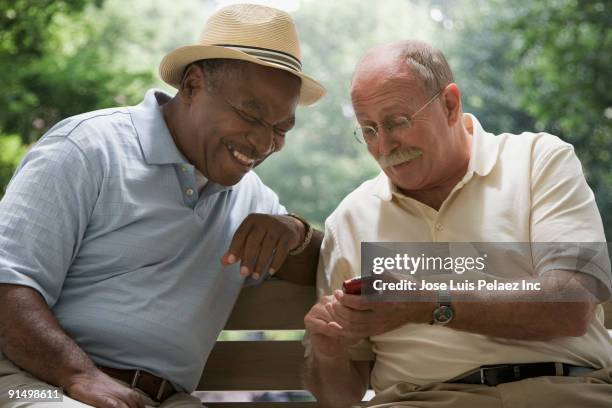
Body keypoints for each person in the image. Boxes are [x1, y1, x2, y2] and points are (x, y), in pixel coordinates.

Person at [0, 4, 325, 408]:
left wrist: (294, 230)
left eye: (280, 129)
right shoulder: (86, 148)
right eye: (250, 115)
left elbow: (325, 261)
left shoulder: (250, 196)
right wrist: (78, 375)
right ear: (192, 86)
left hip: (166, 400)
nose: (263, 144)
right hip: (39, 381)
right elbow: (8, 286)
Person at [303, 40, 612, 407]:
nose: (383, 145)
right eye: (368, 129)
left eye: (396, 122)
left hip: (565, 393)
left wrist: (427, 301)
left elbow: (572, 303)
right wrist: (328, 352)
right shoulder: (350, 219)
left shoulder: (541, 161)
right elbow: (341, 397)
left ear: (449, 104)